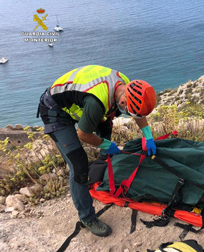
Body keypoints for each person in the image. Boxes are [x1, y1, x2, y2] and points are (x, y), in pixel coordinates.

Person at [37, 65, 157, 237]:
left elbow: (138, 110)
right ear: (123, 102)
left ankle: (101, 174)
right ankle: (87, 217)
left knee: (106, 126)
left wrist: (147, 135)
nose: (128, 115)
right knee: (78, 164)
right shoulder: (96, 102)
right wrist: (106, 145)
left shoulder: (127, 85)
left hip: (79, 99)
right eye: (128, 113)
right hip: (54, 109)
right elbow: (84, 134)